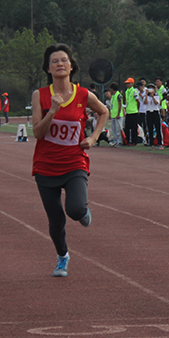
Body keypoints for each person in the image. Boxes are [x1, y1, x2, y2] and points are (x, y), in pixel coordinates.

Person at [32, 44, 108, 277]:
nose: (60, 64)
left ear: (72, 66)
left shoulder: (83, 95)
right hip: (46, 166)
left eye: (64, 60)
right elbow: (37, 133)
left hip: (74, 163)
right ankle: (62, 256)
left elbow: (104, 112)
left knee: (75, 210)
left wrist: (93, 137)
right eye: (54, 61)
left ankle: (82, 212)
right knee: (56, 221)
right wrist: (52, 111)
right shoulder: (40, 95)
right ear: (48, 68)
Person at [142, 84, 163, 149]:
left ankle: (160, 143)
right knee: (150, 128)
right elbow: (145, 102)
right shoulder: (146, 97)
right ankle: (151, 143)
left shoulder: (157, 96)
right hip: (149, 112)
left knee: (158, 128)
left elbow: (157, 103)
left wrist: (153, 97)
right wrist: (146, 94)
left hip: (155, 112)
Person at [123, 78, 139, 145]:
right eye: (127, 83)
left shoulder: (134, 91)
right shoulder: (126, 91)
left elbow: (138, 101)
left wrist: (137, 109)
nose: (127, 85)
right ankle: (127, 140)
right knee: (127, 127)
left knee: (133, 128)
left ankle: (134, 141)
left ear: (132, 84)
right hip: (128, 112)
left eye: (129, 83)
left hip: (134, 112)